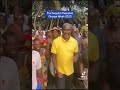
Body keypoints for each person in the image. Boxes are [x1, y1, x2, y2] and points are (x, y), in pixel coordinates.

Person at [51, 23, 78, 89]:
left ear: (71, 31)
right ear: (62, 30)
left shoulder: (74, 42)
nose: (66, 32)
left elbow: (76, 54)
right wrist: (57, 71)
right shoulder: (56, 41)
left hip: (70, 72)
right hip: (60, 72)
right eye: (65, 30)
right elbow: (53, 57)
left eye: (68, 30)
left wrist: (76, 58)